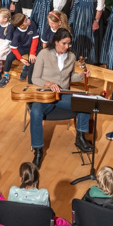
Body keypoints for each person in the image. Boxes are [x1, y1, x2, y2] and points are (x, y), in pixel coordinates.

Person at [28, 28, 91, 167]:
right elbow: (34, 78)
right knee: (36, 112)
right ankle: (38, 151)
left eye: (69, 44)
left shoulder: (71, 56)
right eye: (64, 43)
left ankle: (80, 137)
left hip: (62, 95)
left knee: (86, 102)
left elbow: (70, 77)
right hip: (44, 95)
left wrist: (81, 76)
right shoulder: (44, 54)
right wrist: (49, 84)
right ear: (56, 42)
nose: (67, 46)